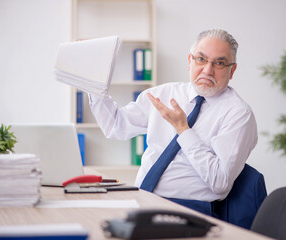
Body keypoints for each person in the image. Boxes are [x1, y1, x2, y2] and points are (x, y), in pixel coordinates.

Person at [89, 29, 258, 216]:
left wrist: (183, 130)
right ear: (189, 61)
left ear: (231, 70)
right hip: (141, 199)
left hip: (191, 211)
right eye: (201, 59)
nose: (207, 70)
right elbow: (115, 126)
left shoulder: (238, 114)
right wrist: (93, 82)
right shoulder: (164, 94)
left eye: (219, 63)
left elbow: (220, 182)